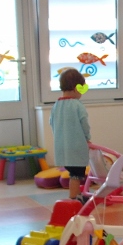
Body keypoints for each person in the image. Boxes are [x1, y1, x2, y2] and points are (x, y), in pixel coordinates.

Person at [50, 68, 91, 202]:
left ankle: (77, 194)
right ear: (75, 88)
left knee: (73, 172)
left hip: (61, 147)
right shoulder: (77, 105)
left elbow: (52, 123)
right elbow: (84, 124)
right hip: (76, 147)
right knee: (76, 175)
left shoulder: (56, 105)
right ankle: (74, 198)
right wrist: (87, 138)